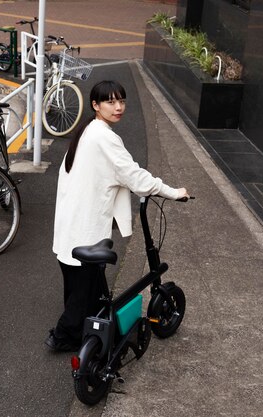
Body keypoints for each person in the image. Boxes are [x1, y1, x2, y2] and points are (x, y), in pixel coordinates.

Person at [46, 80, 189, 352]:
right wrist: (172, 192)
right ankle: (63, 337)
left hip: (71, 225)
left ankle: (84, 333)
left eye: (121, 101)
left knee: (85, 290)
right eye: (111, 102)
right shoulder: (105, 137)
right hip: (84, 229)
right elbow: (135, 176)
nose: (119, 107)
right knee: (82, 294)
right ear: (95, 105)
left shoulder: (89, 130)